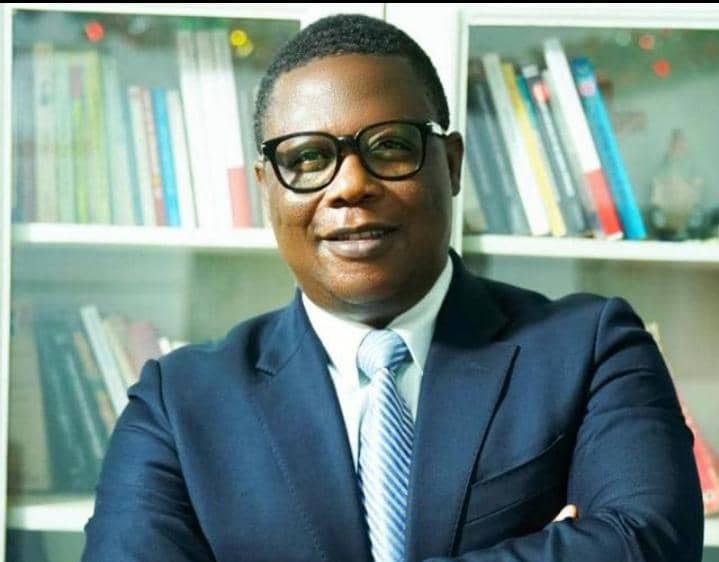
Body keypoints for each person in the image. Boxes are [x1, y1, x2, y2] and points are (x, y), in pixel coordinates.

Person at [82, 13, 703, 562]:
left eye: (390, 147)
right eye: (307, 158)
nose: (350, 185)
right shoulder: (178, 403)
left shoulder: (590, 350)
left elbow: (647, 542)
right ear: (266, 188)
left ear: (451, 165)